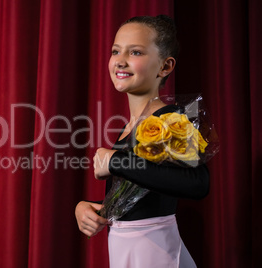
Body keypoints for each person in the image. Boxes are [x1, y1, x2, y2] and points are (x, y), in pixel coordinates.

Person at [75, 15, 209, 267]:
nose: (120, 61)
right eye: (116, 51)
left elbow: (198, 183)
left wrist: (115, 161)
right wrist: (91, 208)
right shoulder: (129, 127)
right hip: (128, 249)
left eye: (135, 52)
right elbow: (143, 199)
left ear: (165, 67)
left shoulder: (170, 120)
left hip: (154, 252)